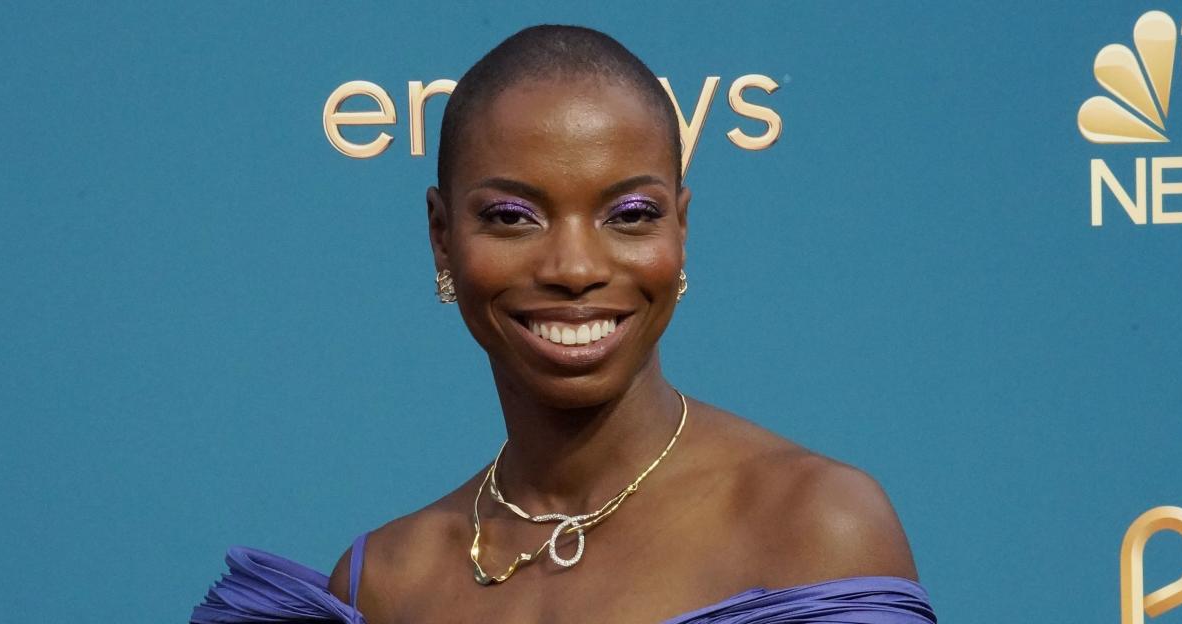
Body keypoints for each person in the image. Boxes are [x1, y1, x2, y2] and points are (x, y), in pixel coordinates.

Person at [192, 24, 937, 624]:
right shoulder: (381, 582)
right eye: (512, 217)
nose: (575, 267)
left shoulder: (811, 525)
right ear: (441, 236)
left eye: (630, 215)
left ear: (679, 229)